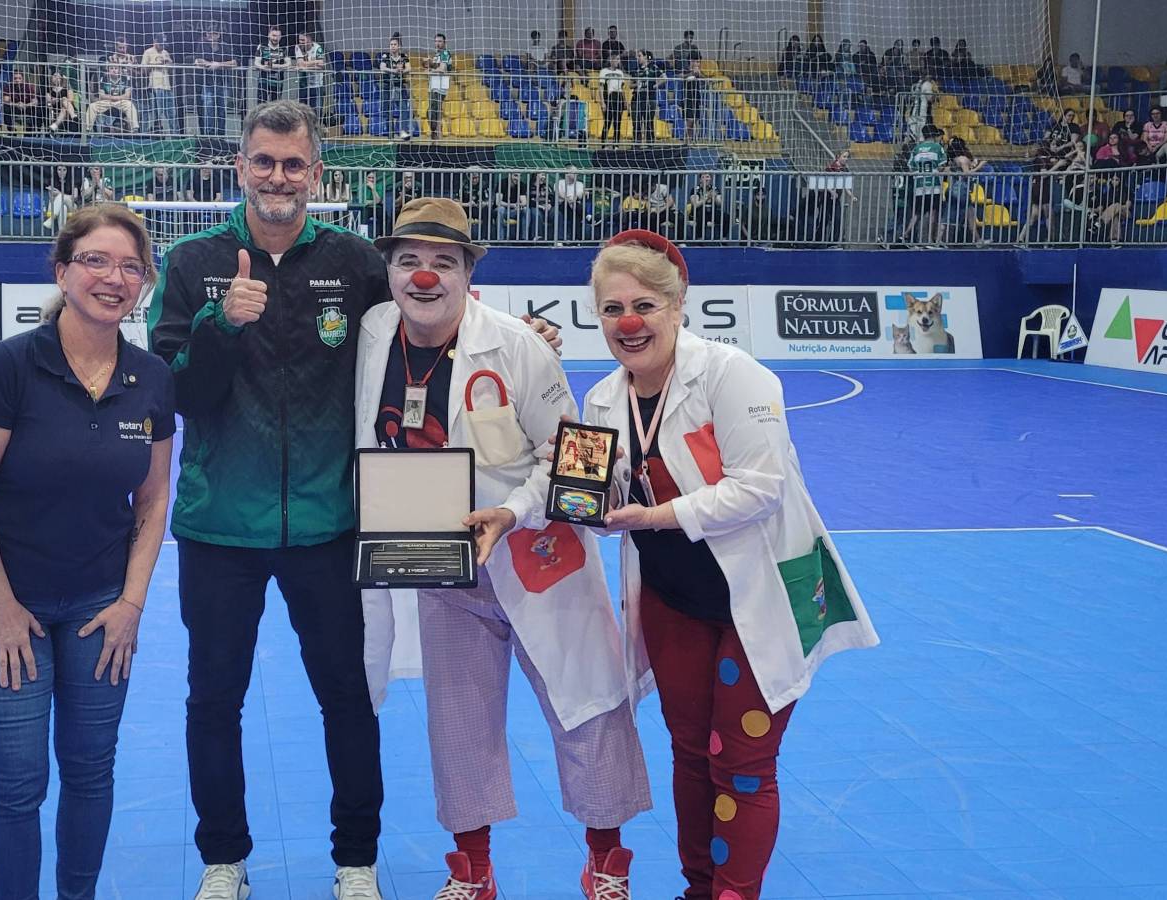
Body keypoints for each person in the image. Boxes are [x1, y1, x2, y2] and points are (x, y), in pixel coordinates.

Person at [149, 101, 559, 900]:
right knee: (213, 699)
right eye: (264, 162)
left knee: (348, 695)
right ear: (240, 167)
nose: (278, 177)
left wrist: (516, 339)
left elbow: (430, 309)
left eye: (293, 164)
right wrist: (218, 322)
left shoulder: (352, 259)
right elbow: (179, 396)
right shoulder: (194, 259)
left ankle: (356, 861)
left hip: (331, 524)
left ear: (317, 175)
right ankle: (223, 860)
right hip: (219, 527)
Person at [354, 199, 651, 899]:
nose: (424, 277)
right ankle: (473, 871)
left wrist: (514, 511)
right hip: (436, 562)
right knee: (458, 720)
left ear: (467, 275)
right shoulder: (371, 333)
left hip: (540, 560)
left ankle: (606, 864)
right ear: (389, 272)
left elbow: (582, 463)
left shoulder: (518, 347)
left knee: (588, 707)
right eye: (408, 262)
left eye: (443, 263)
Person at [576, 230, 879, 900]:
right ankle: (698, 889)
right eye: (611, 308)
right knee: (689, 755)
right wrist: (572, 495)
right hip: (674, 601)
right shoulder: (601, 401)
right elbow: (602, 504)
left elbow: (759, 487)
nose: (628, 322)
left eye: (645, 305)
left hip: (763, 594)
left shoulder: (734, 375)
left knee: (740, 765)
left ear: (679, 307)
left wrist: (650, 518)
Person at [0, 203, 174, 900]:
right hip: (6, 606)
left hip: (101, 607)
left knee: (91, 769)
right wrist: (2, 608)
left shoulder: (152, 378)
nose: (115, 278)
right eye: (97, 262)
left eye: (131, 266)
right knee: (17, 783)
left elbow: (153, 501)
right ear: (62, 272)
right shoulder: (9, 366)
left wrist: (132, 602)